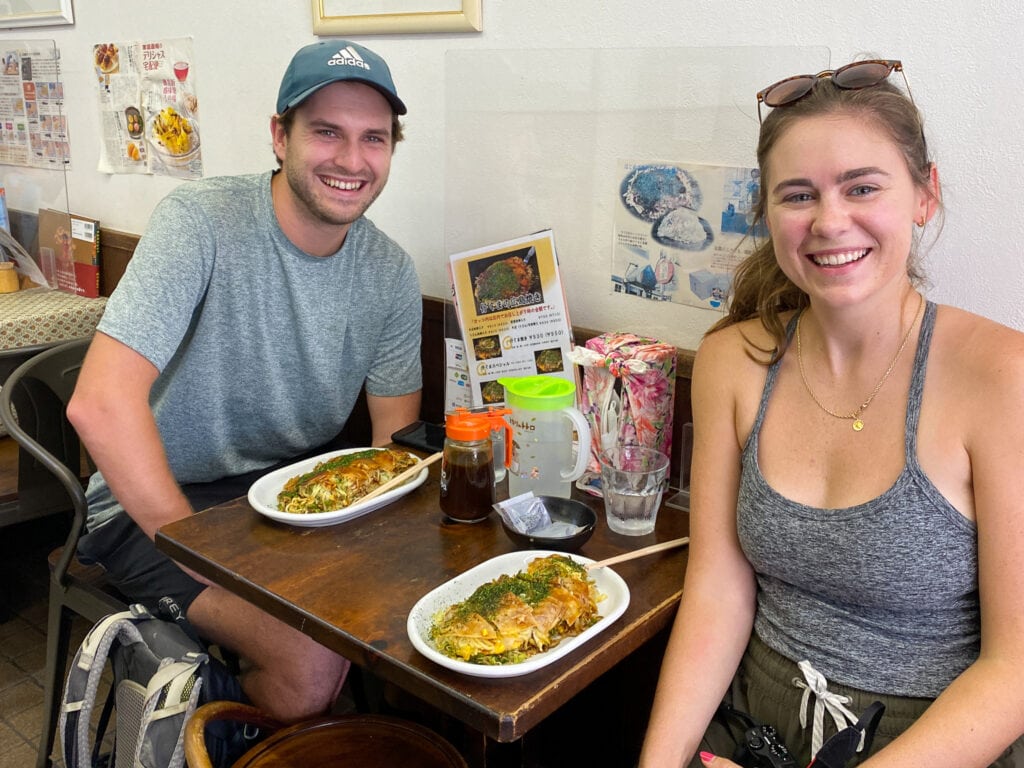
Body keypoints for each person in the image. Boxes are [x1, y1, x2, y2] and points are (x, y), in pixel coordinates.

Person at [639, 59, 1024, 768]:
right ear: (767, 213)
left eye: (862, 187)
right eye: (798, 195)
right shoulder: (733, 360)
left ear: (923, 195)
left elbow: (1015, 671)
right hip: (753, 724)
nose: (829, 221)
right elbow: (719, 593)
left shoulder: (1002, 377)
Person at [67, 39, 422, 723]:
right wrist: (209, 560)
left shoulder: (389, 273)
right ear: (278, 136)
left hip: (288, 505)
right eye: (326, 132)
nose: (352, 160)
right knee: (312, 666)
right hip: (153, 507)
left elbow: (394, 450)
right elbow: (99, 406)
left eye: (373, 138)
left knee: (381, 622)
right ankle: (182, 729)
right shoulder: (200, 221)